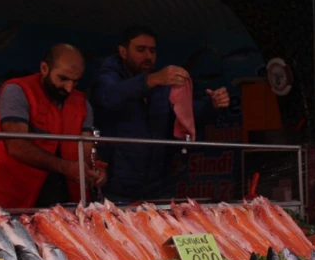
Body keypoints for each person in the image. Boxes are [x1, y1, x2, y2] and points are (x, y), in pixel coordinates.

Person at [88, 26, 230, 202]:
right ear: (123, 52)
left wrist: (213, 105)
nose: (148, 56)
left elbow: (183, 114)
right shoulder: (107, 76)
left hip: (156, 184)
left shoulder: (158, 84)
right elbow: (109, 97)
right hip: (115, 185)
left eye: (152, 51)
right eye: (140, 50)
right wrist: (152, 80)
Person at [0, 44, 106, 209]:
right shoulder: (16, 90)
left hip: (64, 203)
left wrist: (96, 168)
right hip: (9, 202)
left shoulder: (82, 104)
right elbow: (16, 146)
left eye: (76, 81)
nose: (69, 88)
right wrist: (64, 166)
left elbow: (88, 148)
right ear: (44, 68)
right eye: (63, 78)